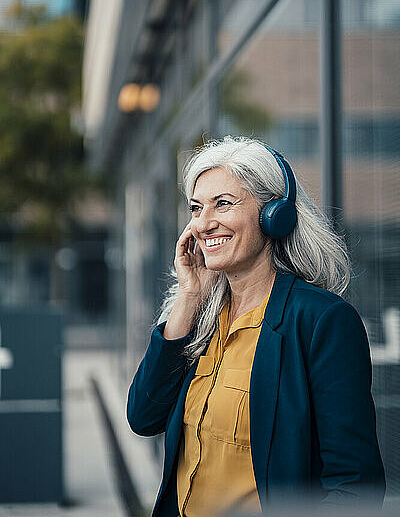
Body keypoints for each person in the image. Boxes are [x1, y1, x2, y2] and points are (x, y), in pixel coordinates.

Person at [126, 136, 385, 517]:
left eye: (223, 204)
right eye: (196, 209)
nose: (204, 223)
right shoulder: (200, 316)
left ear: (274, 213)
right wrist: (188, 297)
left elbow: (355, 486)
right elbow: (143, 417)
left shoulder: (321, 321)